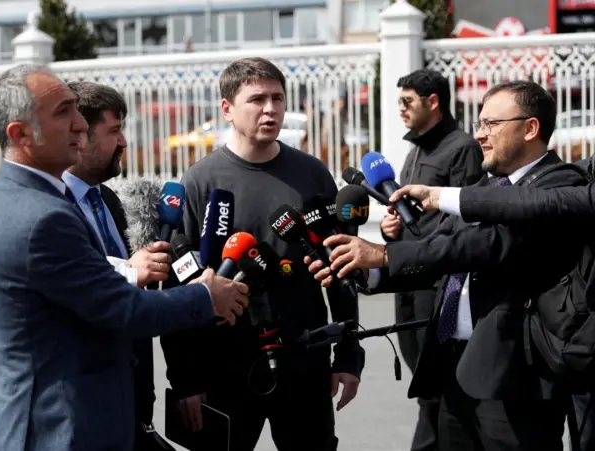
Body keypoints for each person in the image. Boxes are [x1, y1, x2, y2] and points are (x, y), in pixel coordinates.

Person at [0, 63, 249, 451]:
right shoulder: (43, 218)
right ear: (20, 133)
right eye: (64, 112)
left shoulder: (7, 201)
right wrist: (206, 296)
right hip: (64, 430)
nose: (80, 124)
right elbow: (123, 310)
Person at [304, 80, 590, 450]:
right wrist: (365, 267)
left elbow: (484, 245)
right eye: (480, 124)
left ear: (530, 128)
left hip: (517, 381)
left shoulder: (559, 186)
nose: (480, 136)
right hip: (454, 371)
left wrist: (385, 253)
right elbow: (437, 248)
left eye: (491, 124)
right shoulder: (486, 188)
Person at [160, 57, 364, 451]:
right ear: (227, 108)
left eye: (277, 98)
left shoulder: (312, 173)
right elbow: (177, 290)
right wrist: (186, 381)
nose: (270, 109)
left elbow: (339, 269)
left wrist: (348, 355)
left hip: (304, 359)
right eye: (257, 99)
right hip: (224, 367)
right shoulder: (200, 181)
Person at [62, 80, 175, 450]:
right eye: (114, 131)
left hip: (133, 398)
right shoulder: (51, 207)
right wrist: (129, 270)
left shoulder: (107, 198)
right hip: (85, 408)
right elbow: (74, 282)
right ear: (80, 135)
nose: (124, 142)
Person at [381, 68, 483, 451]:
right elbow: (413, 215)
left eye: (407, 102)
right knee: (425, 384)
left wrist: (418, 245)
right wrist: (393, 228)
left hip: (439, 284)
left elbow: (463, 221)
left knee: (436, 388)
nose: (401, 110)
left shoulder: (462, 149)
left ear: (433, 102)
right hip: (407, 278)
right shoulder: (416, 149)